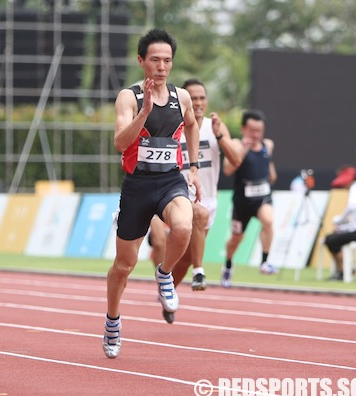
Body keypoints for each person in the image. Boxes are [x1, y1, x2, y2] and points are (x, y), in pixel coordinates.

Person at [103, 28, 201, 359]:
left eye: (167, 60)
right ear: (141, 61)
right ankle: (113, 320)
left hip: (171, 180)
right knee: (123, 265)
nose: (161, 66)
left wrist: (194, 165)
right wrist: (144, 111)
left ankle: (164, 274)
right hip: (138, 186)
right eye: (155, 60)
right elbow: (119, 142)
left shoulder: (181, 97)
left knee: (185, 226)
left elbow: (190, 124)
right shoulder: (128, 97)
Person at [147, 79, 242, 304]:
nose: (198, 103)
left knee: (185, 258)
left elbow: (235, 160)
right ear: (183, 100)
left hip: (209, 199)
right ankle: (199, 271)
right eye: (194, 98)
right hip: (177, 197)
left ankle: (168, 293)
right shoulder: (172, 128)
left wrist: (220, 136)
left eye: (202, 98)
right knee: (195, 217)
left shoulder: (214, 126)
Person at [221, 109, 278, 288]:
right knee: (237, 238)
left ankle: (264, 261)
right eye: (252, 130)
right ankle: (228, 264)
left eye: (259, 131)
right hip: (242, 202)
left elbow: (270, 172)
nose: (256, 135)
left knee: (268, 220)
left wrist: (269, 178)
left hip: (262, 197)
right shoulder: (237, 145)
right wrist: (244, 150)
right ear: (243, 129)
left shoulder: (268, 145)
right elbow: (228, 170)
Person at [324, 165, 356, 281]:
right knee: (335, 237)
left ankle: (343, 270)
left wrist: (339, 220)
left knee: (331, 239)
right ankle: (346, 268)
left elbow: (353, 207)